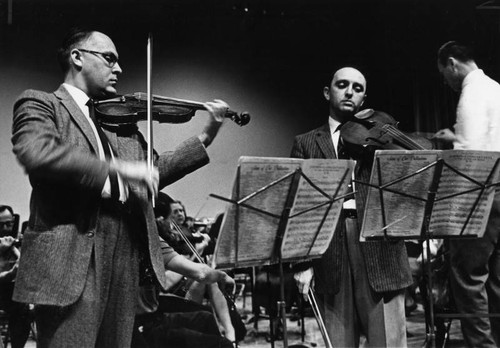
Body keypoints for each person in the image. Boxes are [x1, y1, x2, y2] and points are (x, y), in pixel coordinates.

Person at [11, 28, 231, 347]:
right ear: (77, 57)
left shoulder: (117, 124)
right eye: (110, 59)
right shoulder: (42, 104)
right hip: (73, 253)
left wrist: (207, 136)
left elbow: (152, 172)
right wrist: (117, 168)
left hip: (124, 250)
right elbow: (37, 153)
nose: (119, 69)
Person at [291, 67, 413, 347]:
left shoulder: (383, 139)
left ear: (364, 98)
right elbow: (300, 207)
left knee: (389, 341)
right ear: (327, 92)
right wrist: (302, 261)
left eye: (357, 88)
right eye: (342, 85)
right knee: (339, 341)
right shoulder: (306, 143)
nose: (349, 91)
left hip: (380, 246)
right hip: (329, 252)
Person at [434, 41, 500, 347]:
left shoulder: (470, 93)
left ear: (451, 63)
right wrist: (457, 136)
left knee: (468, 279)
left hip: (480, 195)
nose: (446, 83)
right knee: (497, 282)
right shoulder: (494, 87)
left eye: (444, 75)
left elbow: (471, 158)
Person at [0, 206, 32, 348]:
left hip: (11, 290)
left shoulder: (19, 240)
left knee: (24, 311)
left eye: (9, 223)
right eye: (1, 225)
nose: (6, 228)